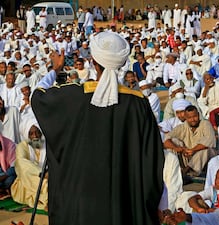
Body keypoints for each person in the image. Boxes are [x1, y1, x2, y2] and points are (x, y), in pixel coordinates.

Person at [31, 32, 164, 224]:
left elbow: (38, 97)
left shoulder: (73, 96)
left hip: (81, 199)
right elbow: (151, 159)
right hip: (123, 201)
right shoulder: (139, 104)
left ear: (94, 61)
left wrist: (55, 69)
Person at [164, 105, 216, 177]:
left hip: (205, 158)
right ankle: (175, 170)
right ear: (185, 117)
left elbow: (210, 141)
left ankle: (186, 171)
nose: (193, 119)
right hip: (188, 156)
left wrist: (193, 150)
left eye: (195, 116)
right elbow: (166, 140)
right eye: (189, 117)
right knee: (173, 141)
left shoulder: (205, 124)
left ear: (198, 115)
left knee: (206, 150)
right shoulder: (182, 127)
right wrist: (177, 148)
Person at [11, 116, 47, 209]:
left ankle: (46, 197)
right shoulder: (22, 146)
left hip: (47, 178)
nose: (35, 136)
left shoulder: (48, 145)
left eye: (37, 132)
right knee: (22, 164)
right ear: (27, 136)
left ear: (41, 133)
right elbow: (21, 164)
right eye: (31, 134)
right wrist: (41, 173)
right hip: (26, 182)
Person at [0, 133, 16, 199]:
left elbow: (15, 167)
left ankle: (3, 190)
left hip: (7, 174)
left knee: (10, 180)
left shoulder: (9, 144)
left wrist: (4, 176)